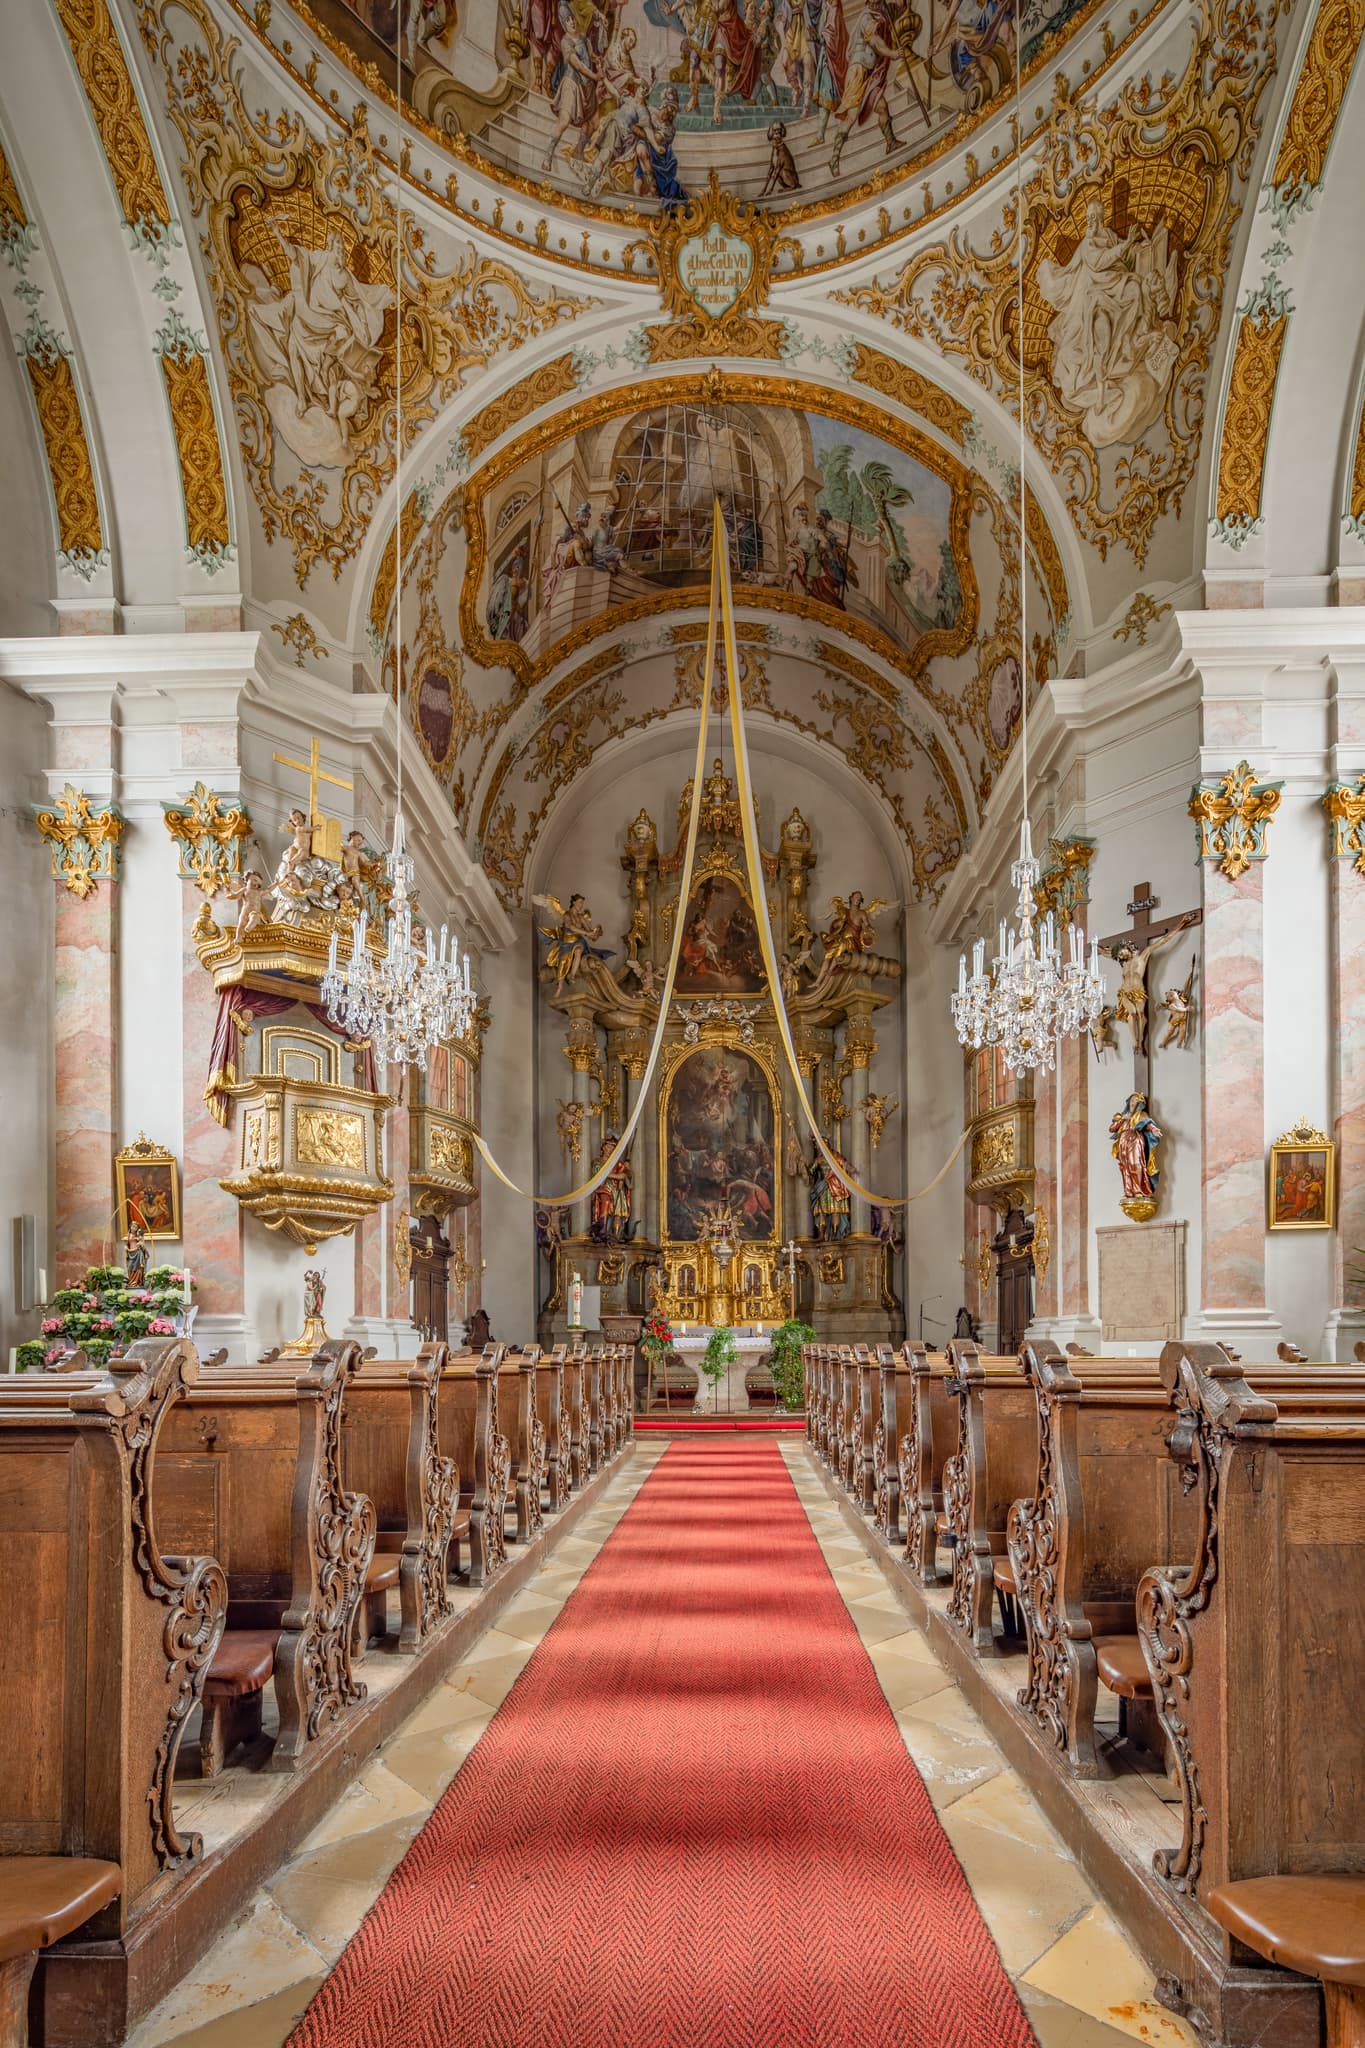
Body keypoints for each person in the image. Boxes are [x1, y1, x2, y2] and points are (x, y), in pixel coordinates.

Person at [1109, 1092, 1163, 1206]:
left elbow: (1147, 1123)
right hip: (1123, 1141)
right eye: (1131, 1101)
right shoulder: (1122, 1116)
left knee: (1136, 1164)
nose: (1133, 1103)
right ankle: (1128, 1192)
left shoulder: (1140, 1114)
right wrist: (1123, 1119)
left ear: (1139, 1103)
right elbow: (1112, 1129)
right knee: (1125, 1167)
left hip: (1135, 1139)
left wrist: (1154, 1129)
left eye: (1135, 1101)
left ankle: (1139, 1190)